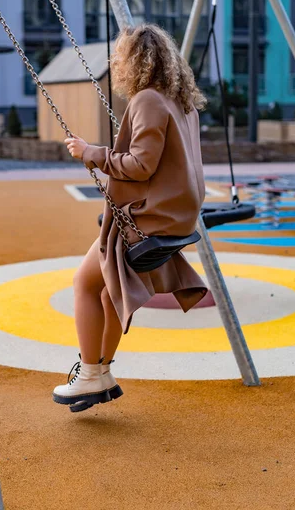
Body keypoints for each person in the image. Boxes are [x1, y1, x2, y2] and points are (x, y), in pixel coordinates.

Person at [53, 24, 208, 412]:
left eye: (120, 56)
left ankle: (89, 373)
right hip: (178, 217)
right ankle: (102, 371)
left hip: (147, 218)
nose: (115, 63)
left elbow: (140, 166)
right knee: (107, 290)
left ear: (134, 61)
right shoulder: (181, 103)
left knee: (84, 284)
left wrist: (92, 152)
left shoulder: (148, 100)